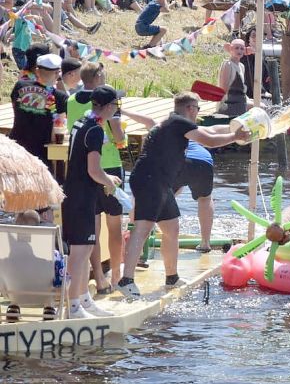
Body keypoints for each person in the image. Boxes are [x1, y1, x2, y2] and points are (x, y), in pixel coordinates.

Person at [117, 92, 249, 297]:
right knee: (143, 228)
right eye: (197, 109)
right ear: (190, 108)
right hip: (149, 180)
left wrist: (236, 127)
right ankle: (126, 280)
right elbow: (210, 140)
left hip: (161, 182)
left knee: (172, 228)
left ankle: (172, 277)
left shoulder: (172, 123)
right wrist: (235, 137)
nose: (198, 114)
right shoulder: (178, 122)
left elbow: (212, 131)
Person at [63, 85, 122, 318]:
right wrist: (110, 180)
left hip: (77, 194)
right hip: (80, 196)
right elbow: (94, 170)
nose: (117, 110)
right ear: (108, 107)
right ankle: (73, 306)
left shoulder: (82, 122)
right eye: (116, 106)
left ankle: (84, 300)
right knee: (79, 252)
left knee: (87, 248)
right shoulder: (95, 130)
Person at [9, 51, 68, 165]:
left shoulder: (20, 85)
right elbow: (58, 127)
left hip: (16, 146)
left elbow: (15, 108)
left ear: (37, 71)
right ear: (57, 74)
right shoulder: (60, 97)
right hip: (41, 153)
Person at [172, 140, 216, 252]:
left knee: (162, 197)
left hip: (179, 161)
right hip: (204, 161)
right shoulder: (195, 141)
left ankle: (166, 236)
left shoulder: (165, 134)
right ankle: (205, 243)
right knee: (205, 199)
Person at [216, 38, 249, 117]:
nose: (239, 51)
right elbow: (223, 88)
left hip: (239, 99)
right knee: (259, 106)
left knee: (260, 105)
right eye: (236, 48)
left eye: (241, 48)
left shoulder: (242, 66)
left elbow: (241, 87)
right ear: (231, 49)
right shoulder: (227, 64)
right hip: (228, 102)